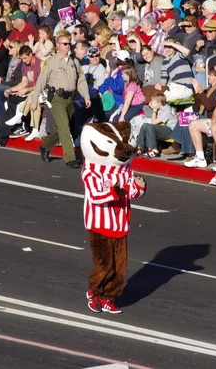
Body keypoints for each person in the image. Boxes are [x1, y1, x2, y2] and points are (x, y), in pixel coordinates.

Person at [81, 122, 145, 315]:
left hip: (121, 223)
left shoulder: (125, 169)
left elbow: (133, 192)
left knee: (120, 266)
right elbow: (95, 196)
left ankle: (110, 297)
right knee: (104, 264)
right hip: (99, 223)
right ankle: (95, 292)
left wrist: (140, 187)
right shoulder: (91, 170)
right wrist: (116, 190)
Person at [33, 34, 91, 168]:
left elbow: (81, 81)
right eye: (64, 44)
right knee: (64, 127)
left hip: (70, 98)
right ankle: (70, 158)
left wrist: (86, 96)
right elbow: (41, 81)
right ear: (58, 46)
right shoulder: (51, 62)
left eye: (69, 44)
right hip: (57, 99)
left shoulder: (74, 62)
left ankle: (44, 147)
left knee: (61, 127)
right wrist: (35, 99)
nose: (67, 46)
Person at [136, 92, 177, 157]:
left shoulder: (166, 110)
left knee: (151, 127)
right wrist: (154, 109)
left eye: (153, 101)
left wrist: (154, 110)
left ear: (159, 103)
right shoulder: (161, 108)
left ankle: (153, 149)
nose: (151, 102)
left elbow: (153, 122)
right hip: (166, 128)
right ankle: (141, 147)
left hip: (171, 131)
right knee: (145, 125)